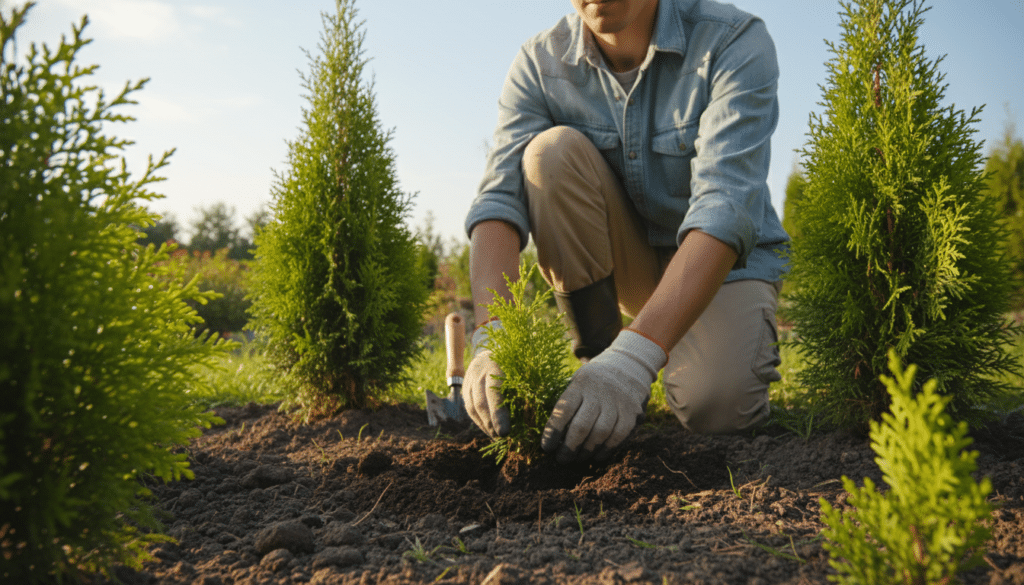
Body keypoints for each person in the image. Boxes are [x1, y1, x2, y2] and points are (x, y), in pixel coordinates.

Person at [462, 0, 790, 465]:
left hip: (720, 271)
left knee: (717, 410)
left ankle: (632, 360)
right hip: (630, 270)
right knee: (547, 157)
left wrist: (635, 360)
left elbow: (724, 208)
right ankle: (598, 363)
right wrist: (493, 335)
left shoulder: (731, 41)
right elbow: (499, 199)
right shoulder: (540, 63)